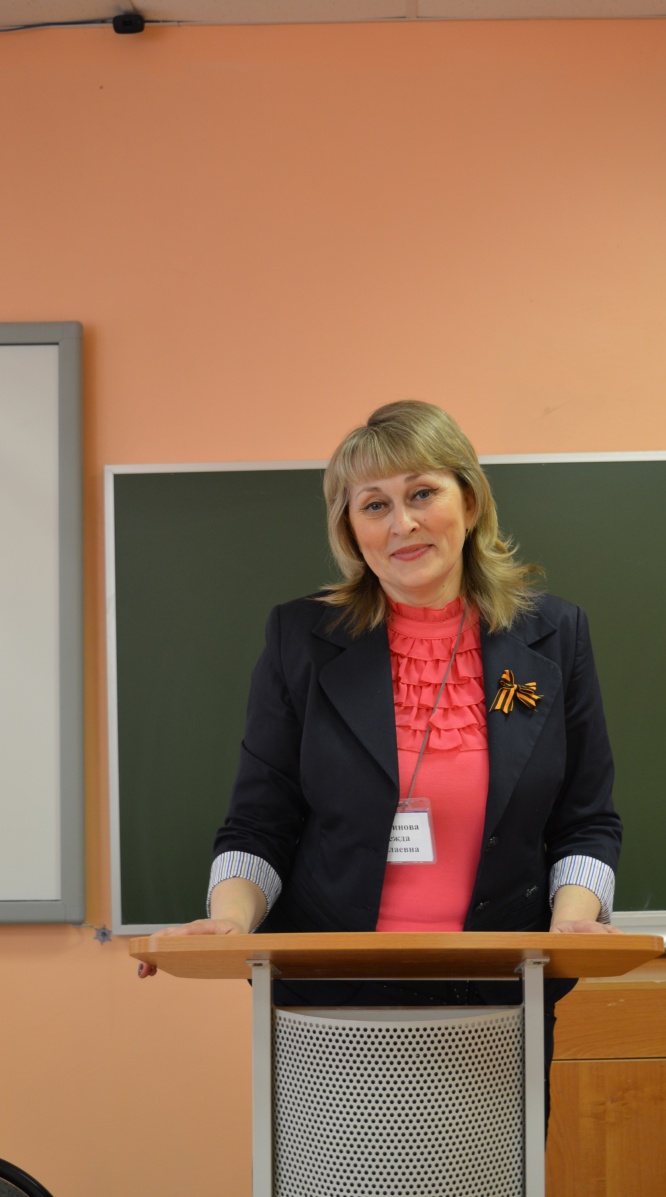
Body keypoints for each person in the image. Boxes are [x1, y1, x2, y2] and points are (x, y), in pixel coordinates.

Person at [140, 399, 623, 1124]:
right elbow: (259, 824)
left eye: (422, 493)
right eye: (375, 504)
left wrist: (572, 924)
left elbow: (586, 821)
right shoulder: (301, 638)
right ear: (350, 527)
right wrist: (230, 921)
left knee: (488, 1174)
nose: (403, 524)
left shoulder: (554, 634)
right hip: (329, 1003)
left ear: (469, 500)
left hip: (499, 997)